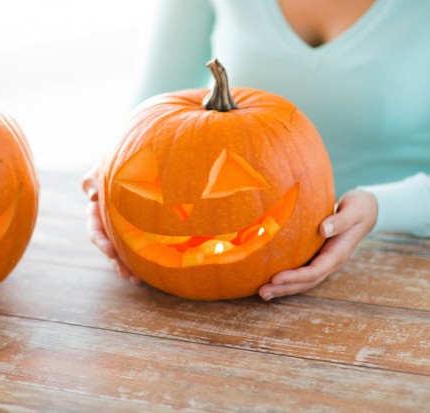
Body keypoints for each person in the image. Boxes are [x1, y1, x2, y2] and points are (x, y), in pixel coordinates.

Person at [82, 0, 430, 301]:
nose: (185, 212)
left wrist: (380, 208)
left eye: (228, 183)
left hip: (402, 260)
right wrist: (110, 183)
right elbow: (143, 117)